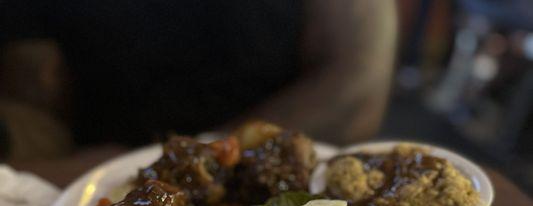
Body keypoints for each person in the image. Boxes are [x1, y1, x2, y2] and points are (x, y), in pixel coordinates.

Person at [0, 1, 397, 162]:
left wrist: (196, 162)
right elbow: (28, 88)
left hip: (277, 167)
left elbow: (357, 88)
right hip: (93, 175)